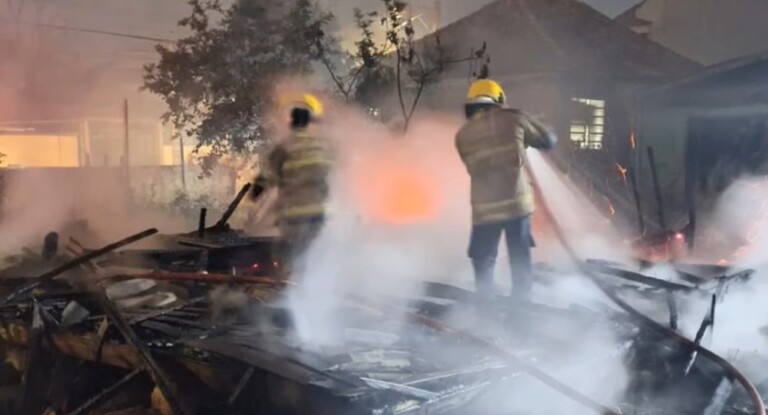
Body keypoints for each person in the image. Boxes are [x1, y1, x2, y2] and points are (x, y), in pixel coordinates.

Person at [455, 79, 557, 302]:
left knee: (484, 258)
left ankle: (485, 306)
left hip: (484, 209)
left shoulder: (462, 136)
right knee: (519, 256)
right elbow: (548, 141)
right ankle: (521, 305)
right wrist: (541, 125)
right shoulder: (515, 118)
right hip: (516, 206)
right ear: (498, 99)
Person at [250, 92, 334, 280]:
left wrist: (255, 194)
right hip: (319, 214)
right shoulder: (320, 146)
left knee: (288, 257)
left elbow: (266, 178)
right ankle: (315, 289)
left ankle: (289, 290)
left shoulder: (286, 146)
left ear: (292, 123)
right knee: (313, 254)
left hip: (295, 216)